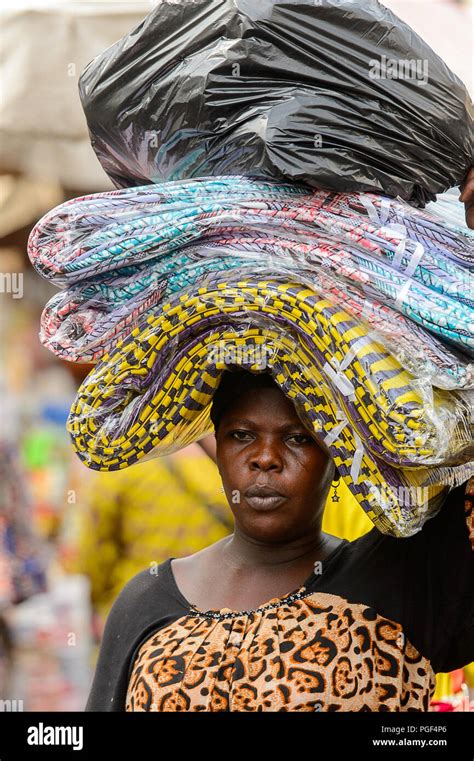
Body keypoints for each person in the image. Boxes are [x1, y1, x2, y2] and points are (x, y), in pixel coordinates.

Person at [85, 370, 474, 712]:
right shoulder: (145, 601)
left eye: (298, 438)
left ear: (338, 458)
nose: (266, 458)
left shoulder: (401, 580)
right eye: (241, 436)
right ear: (217, 448)